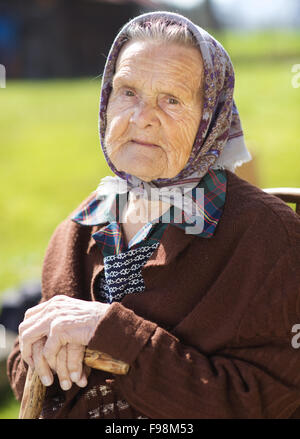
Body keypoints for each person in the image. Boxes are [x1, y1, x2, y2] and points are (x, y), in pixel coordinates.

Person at [7, 11, 300, 419]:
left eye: (171, 99)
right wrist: (33, 350)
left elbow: (268, 401)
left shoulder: (267, 237)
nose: (141, 117)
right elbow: (33, 384)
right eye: (127, 92)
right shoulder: (79, 229)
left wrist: (114, 335)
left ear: (209, 120)